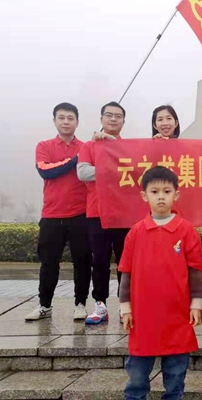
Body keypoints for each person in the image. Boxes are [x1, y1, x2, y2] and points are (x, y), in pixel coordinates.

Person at [116, 166, 202, 400]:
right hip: (143, 318)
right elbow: (126, 273)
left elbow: (195, 271)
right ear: (144, 196)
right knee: (137, 372)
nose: (161, 196)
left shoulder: (187, 231)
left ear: (177, 194)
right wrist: (125, 308)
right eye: (155, 192)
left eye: (167, 191)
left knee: (175, 371)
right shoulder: (136, 232)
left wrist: (196, 303)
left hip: (177, 316)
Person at [26, 102, 92, 321]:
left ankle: (80, 304)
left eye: (70, 118)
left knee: (82, 262)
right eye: (61, 118)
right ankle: (45, 305)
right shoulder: (44, 146)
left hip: (80, 214)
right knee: (49, 263)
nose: (66, 122)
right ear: (54, 121)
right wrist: (74, 160)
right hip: (52, 215)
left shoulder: (86, 147)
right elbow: (46, 171)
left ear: (77, 122)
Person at [77, 101, 130, 324]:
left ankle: (125, 305)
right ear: (101, 119)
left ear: (124, 121)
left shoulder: (128, 147)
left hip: (124, 213)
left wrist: (110, 165)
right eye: (109, 115)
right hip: (97, 212)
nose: (113, 119)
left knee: (125, 261)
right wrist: (114, 170)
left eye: (118, 116)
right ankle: (100, 304)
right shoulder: (89, 146)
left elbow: (135, 170)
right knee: (99, 260)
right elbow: (83, 173)